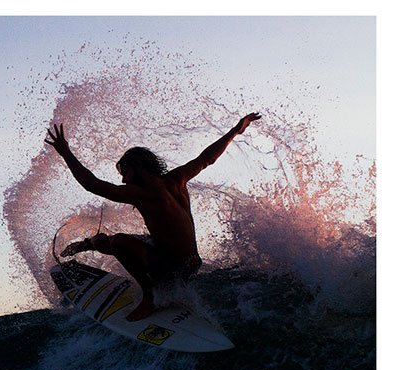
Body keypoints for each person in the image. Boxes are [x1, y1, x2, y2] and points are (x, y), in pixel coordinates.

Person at [45, 113, 261, 321]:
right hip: (190, 262)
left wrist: (66, 153)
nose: (123, 180)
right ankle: (89, 244)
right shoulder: (177, 178)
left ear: (140, 167)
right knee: (109, 240)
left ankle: (151, 297)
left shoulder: (142, 194)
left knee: (119, 242)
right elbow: (207, 158)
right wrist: (236, 130)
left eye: (126, 172)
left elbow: (92, 184)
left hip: (174, 269)